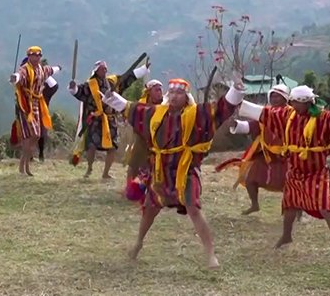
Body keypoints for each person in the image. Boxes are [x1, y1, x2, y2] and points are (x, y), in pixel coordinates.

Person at [102, 77, 244, 269]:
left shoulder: (197, 114)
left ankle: (211, 255)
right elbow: (132, 109)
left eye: (180, 93)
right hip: (161, 172)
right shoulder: (155, 113)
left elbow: (219, 109)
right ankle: (138, 243)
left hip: (185, 170)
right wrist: (112, 99)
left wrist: (235, 90)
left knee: (194, 209)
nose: (175, 96)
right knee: (150, 211)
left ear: (186, 97)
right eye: (173, 93)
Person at [236, 85, 330, 262]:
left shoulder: (321, 117)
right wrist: (236, 100)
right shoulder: (288, 116)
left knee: (326, 210)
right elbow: (265, 113)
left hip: (316, 172)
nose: (293, 106)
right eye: (293, 102)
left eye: (296, 103)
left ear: (307, 102)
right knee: (289, 205)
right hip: (295, 171)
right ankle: (286, 236)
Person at [214, 83, 291, 215]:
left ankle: (292, 211)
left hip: (287, 155)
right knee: (250, 179)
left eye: (278, 96)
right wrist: (237, 125)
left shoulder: (292, 114)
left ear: (285, 98)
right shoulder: (266, 113)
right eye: (272, 96)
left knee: (290, 185)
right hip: (265, 153)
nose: (274, 99)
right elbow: (253, 125)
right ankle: (254, 205)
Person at [69, 59, 150, 179]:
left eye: (106, 68)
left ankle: (106, 173)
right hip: (95, 120)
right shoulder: (90, 85)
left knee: (112, 147)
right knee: (91, 146)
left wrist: (143, 69)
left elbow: (127, 78)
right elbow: (79, 92)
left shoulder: (113, 82)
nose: (105, 70)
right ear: (97, 71)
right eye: (102, 68)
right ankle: (89, 168)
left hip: (110, 119)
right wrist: (73, 88)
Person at [9, 46, 60, 176]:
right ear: (29, 56)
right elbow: (20, 75)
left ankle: (24, 161)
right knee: (30, 134)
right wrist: (15, 77)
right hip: (26, 104)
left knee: (36, 135)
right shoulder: (25, 69)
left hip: (37, 103)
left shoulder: (41, 69)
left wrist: (59, 68)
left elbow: (50, 70)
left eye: (39, 56)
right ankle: (24, 165)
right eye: (34, 55)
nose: (37, 58)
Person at [122, 79, 163, 186]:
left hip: (159, 142)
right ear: (149, 92)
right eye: (156, 90)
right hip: (142, 140)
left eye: (160, 90)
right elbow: (133, 118)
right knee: (134, 164)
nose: (159, 93)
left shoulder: (165, 105)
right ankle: (129, 187)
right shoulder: (140, 105)